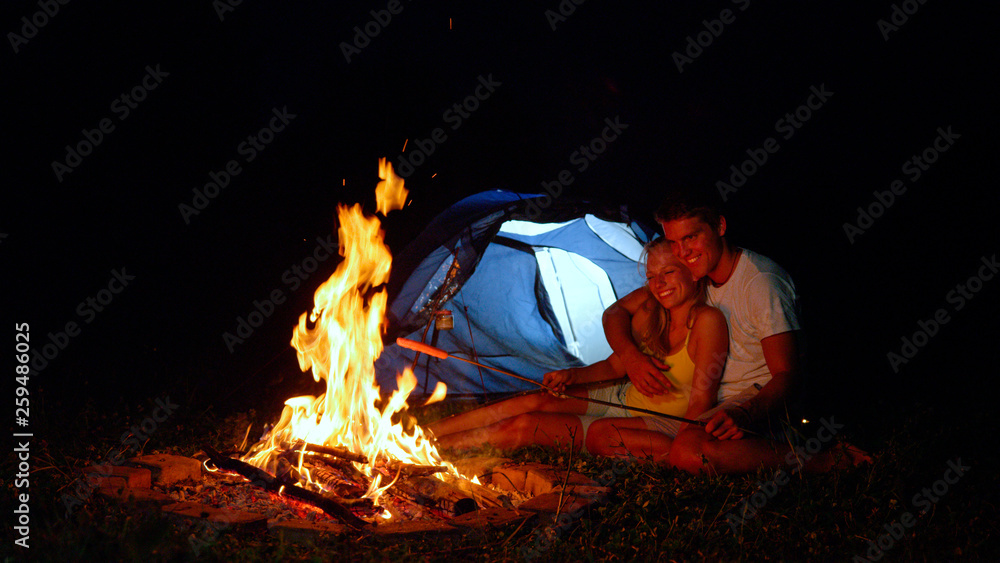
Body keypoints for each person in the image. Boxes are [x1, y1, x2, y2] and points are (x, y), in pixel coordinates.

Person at [603, 189, 868, 474]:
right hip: (711, 406)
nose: (683, 252)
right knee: (604, 434)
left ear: (720, 226)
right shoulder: (696, 276)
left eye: (691, 237)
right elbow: (616, 312)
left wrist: (744, 413)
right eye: (673, 242)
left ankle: (828, 461)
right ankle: (697, 457)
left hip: (756, 405)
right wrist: (631, 357)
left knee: (689, 449)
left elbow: (788, 376)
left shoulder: (761, 282)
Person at [426, 239, 728, 462]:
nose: (658, 284)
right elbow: (614, 368)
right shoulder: (652, 311)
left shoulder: (706, 322)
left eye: (669, 273)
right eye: (651, 276)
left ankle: (432, 452)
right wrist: (573, 375)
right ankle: (424, 436)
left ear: (692, 272)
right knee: (533, 400)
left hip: (652, 419)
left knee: (525, 425)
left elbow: (700, 403)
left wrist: (683, 447)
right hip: (622, 398)